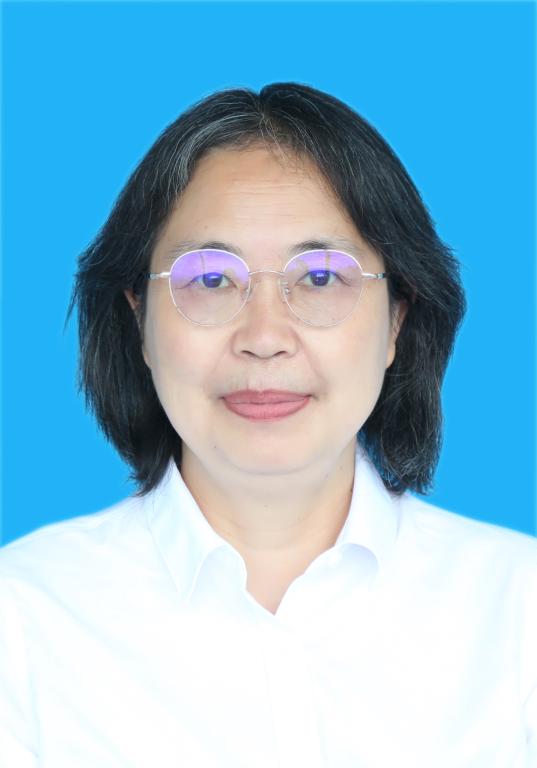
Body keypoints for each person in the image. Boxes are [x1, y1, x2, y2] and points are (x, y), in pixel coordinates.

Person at [0, 83, 535, 767]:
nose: (263, 338)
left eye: (320, 277)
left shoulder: (518, 612)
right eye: (209, 279)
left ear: (397, 318)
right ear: (139, 320)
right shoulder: (22, 623)